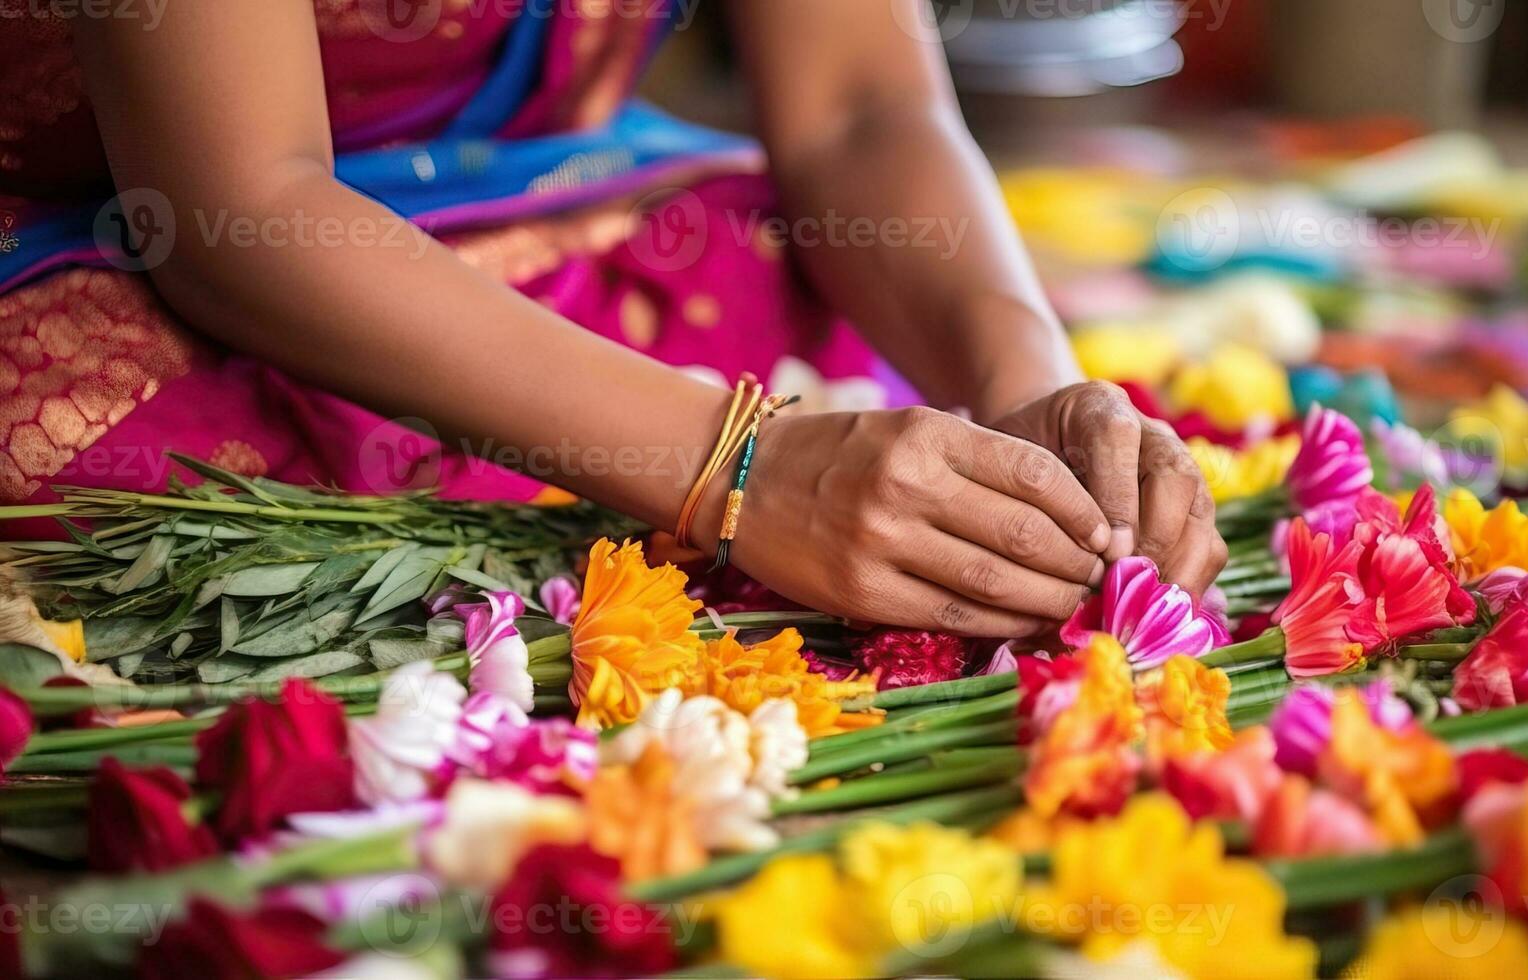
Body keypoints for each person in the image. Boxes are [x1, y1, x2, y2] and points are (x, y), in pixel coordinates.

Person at [0, 1, 1225, 635]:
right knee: (111, 484)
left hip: (571, 221)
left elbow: (857, 108)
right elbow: (235, 210)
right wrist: (738, 468)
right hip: (175, 256)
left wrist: (1024, 385)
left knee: (776, 261)